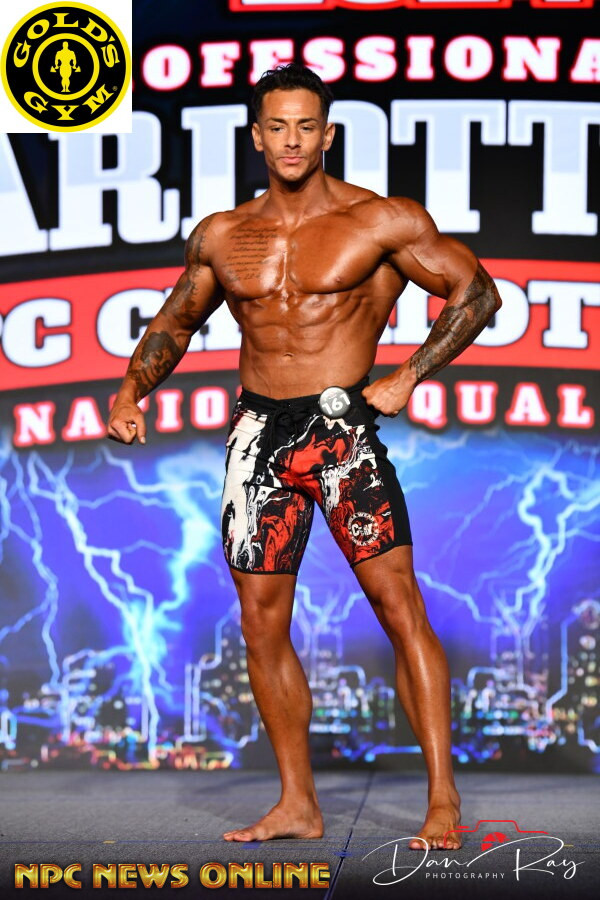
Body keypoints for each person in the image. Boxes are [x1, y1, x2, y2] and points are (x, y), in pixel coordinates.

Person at [107, 63, 502, 851]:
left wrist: (409, 374)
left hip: (341, 430)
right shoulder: (223, 234)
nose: (292, 140)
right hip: (258, 435)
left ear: (328, 134)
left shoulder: (380, 220)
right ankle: (297, 803)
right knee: (260, 623)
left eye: (306, 126)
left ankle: (442, 801)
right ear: (257, 137)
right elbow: (177, 321)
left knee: (398, 607)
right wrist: (129, 392)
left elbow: (478, 292)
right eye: (278, 126)